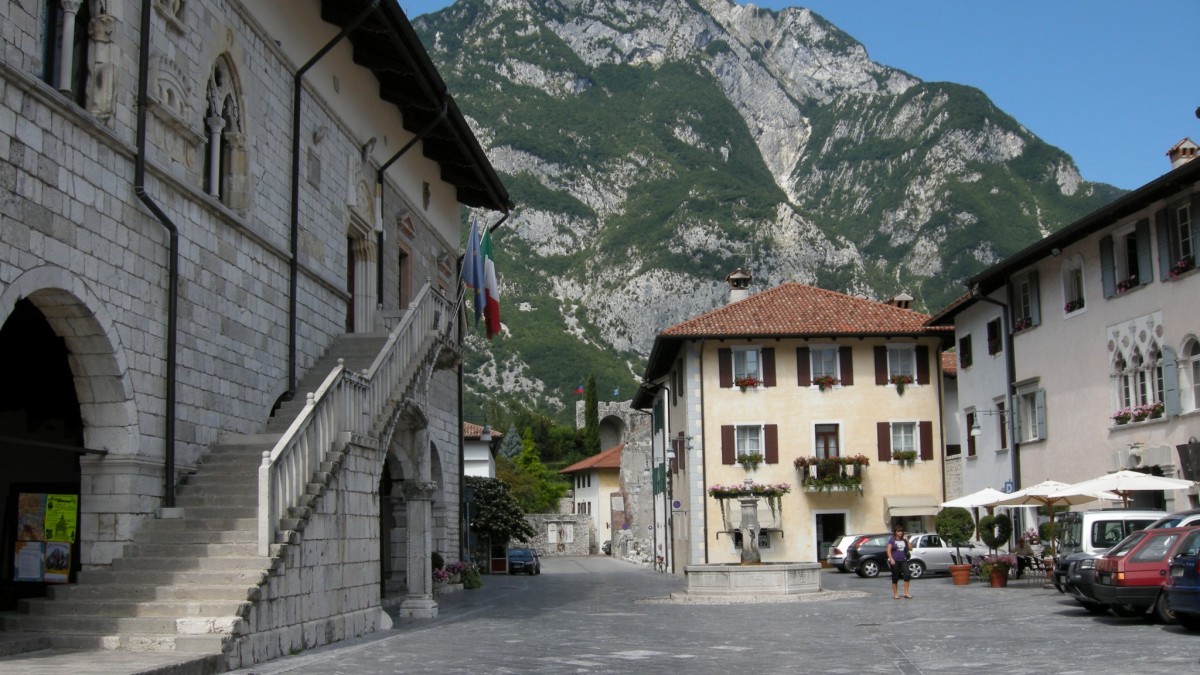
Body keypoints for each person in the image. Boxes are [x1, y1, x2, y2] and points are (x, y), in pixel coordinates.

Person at [886, 525, 912, 599]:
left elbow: (911, 548)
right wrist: (891, 559)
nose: (900, 532)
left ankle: (906, 593)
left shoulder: (904, 540)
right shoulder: (892, 539)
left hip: (903, 560)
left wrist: (907, 540)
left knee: (907, 575)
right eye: (898, 531)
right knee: (895, 577)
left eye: (901, 531)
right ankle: (895, 594)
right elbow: (888, 550)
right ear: (895, 532)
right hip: (895, 560)